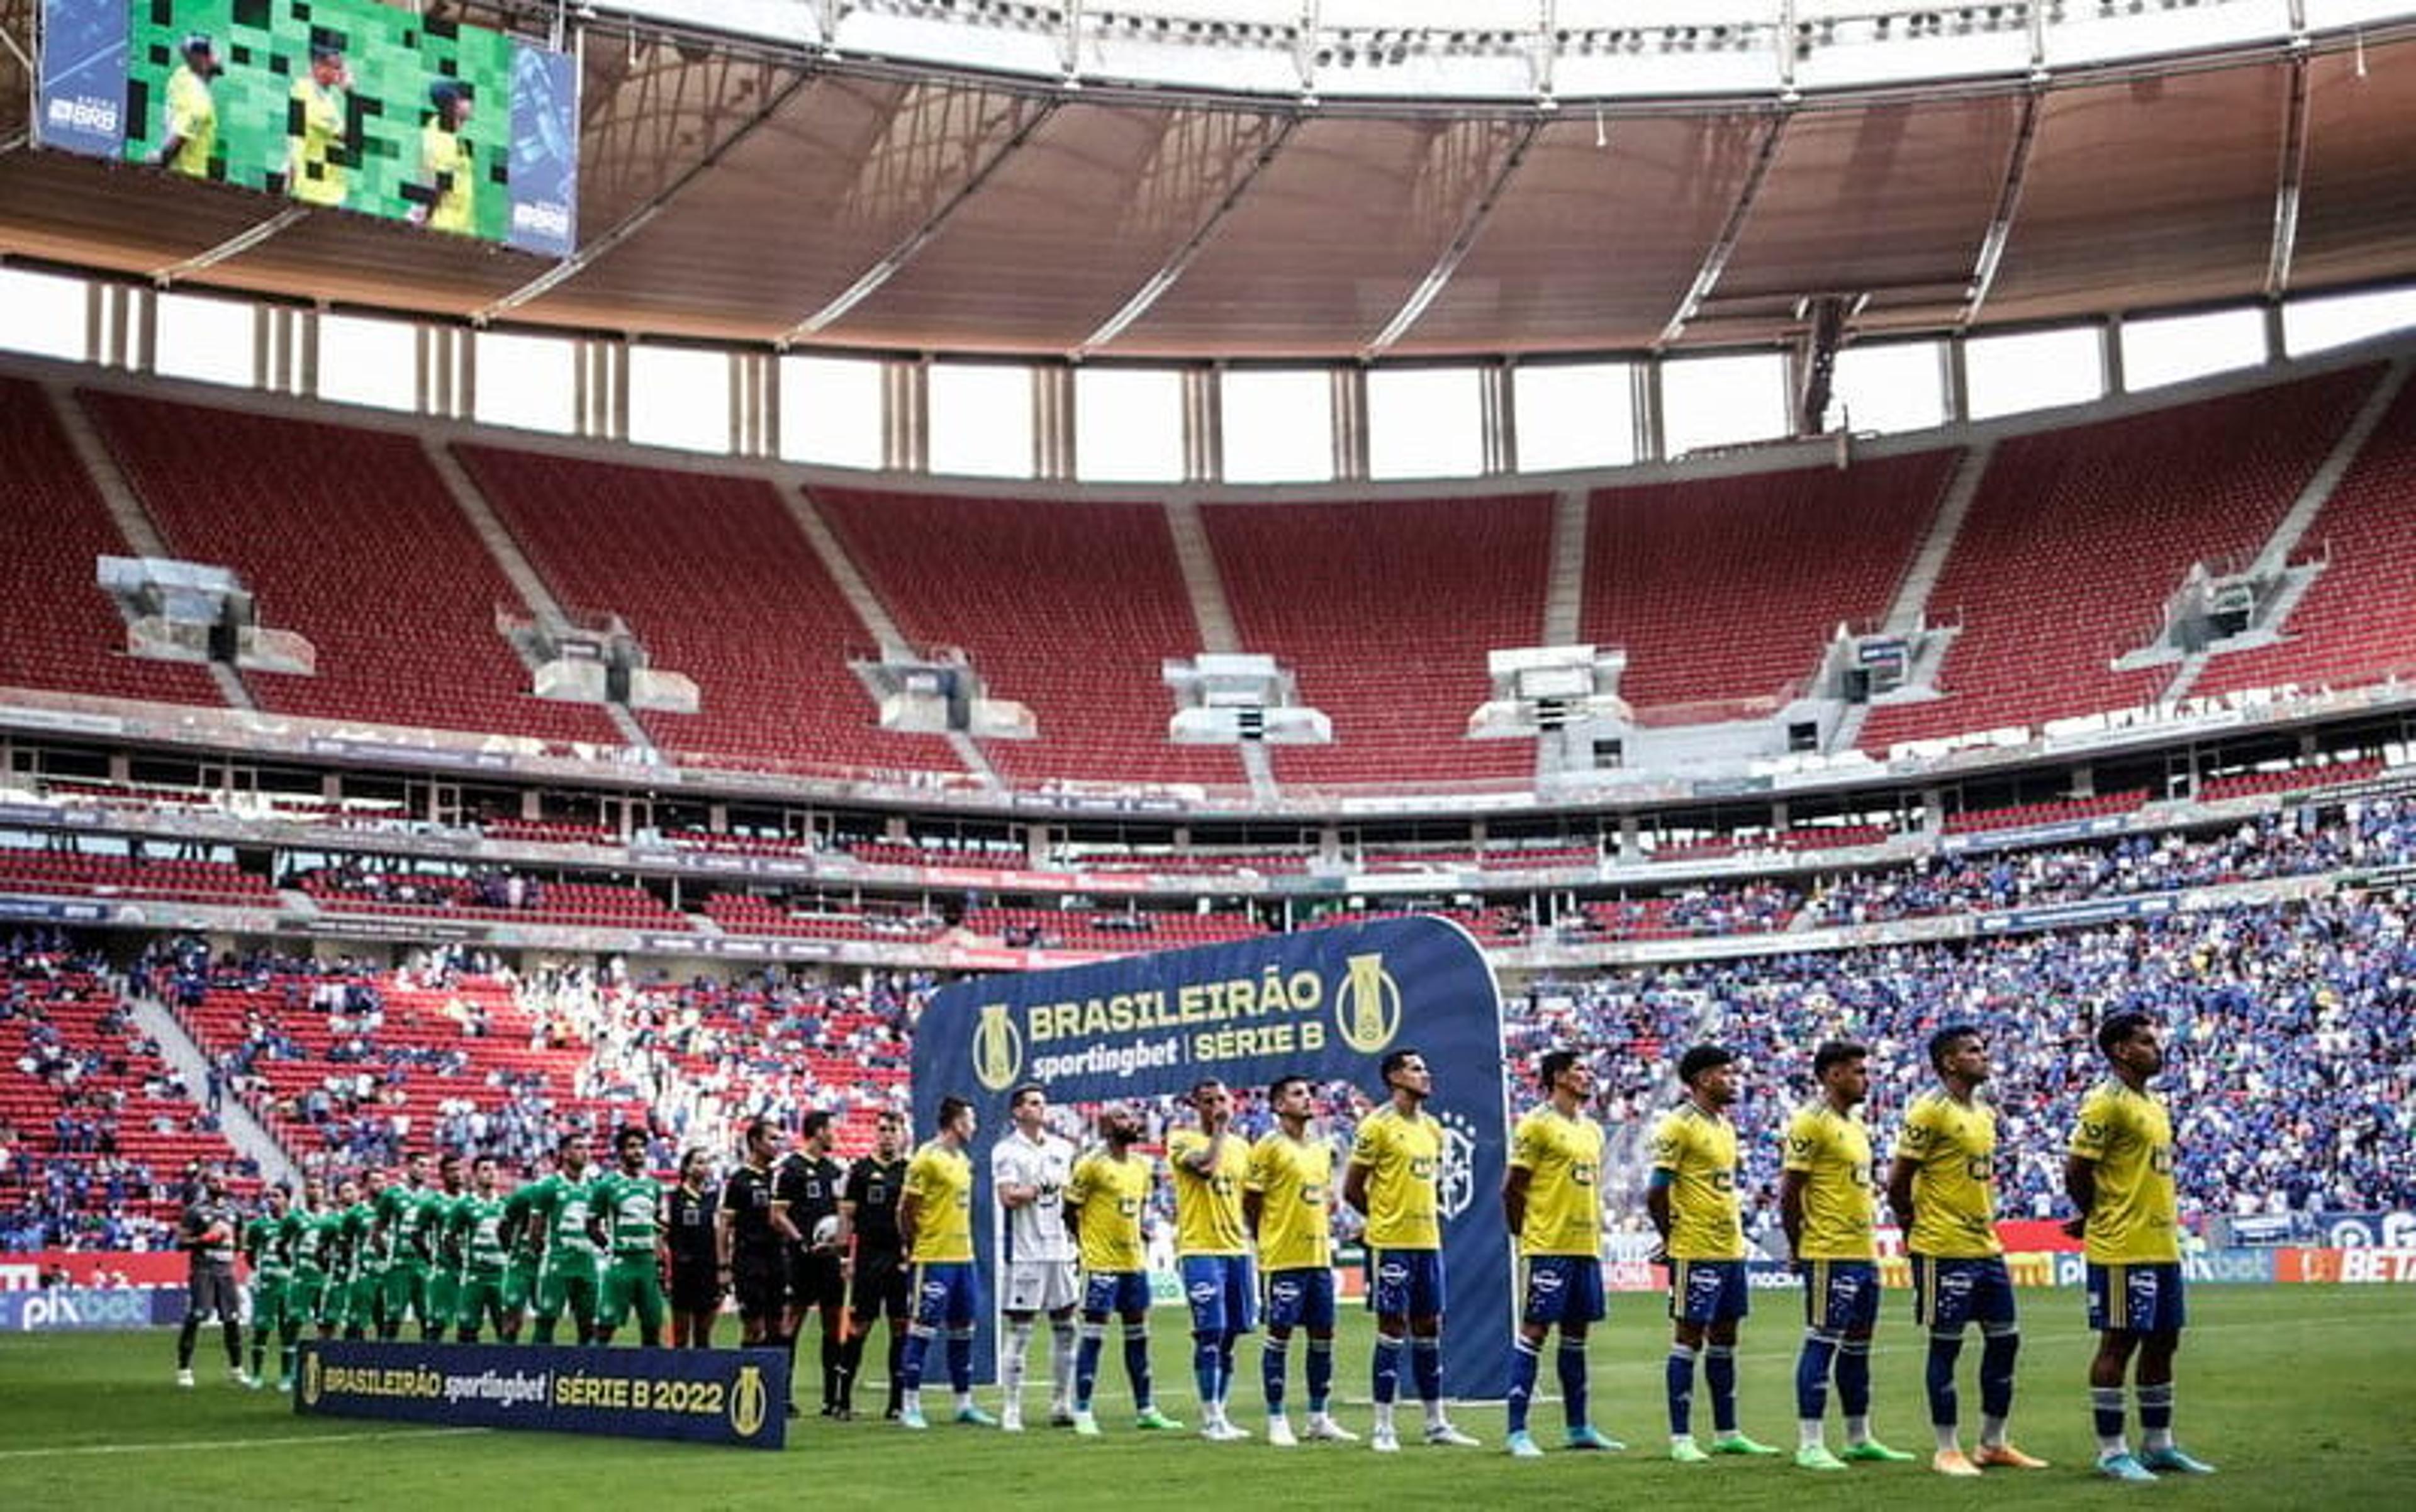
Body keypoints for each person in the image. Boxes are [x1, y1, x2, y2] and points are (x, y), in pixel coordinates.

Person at [1888, 1025, 2049, 1477]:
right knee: (1946, 1346)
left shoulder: (1984, 1113)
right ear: (1949, 1062)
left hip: (1986, 1246)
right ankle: (1947, 1448)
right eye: (1974, 1051)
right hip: (1942, 1248)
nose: (1984, 1055)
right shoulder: (1928, 1111)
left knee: (2006, 1340)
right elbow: (1898, 1180)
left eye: (1984, 1047)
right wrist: (1911, 1226)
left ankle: (1993, 1442)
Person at [2066, 1012, 2217, 1481]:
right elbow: (2076, 1168)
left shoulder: (2152, 1102)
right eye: (2147, 1041)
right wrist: (2095, 1213)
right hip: (2122, 1246)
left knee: (2164, 1341)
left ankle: (2158, 1445)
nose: (2158, 1047)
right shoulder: (2104, 1102)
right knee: (2118, 1342)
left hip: (2160, 1243)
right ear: (2121, 1050)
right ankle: (2112, 1451)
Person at [1779, 1041, 1915, 1470]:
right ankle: (1810, 1442)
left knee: (1858, 1349)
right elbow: (1790, 1190)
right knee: (1822, 1341)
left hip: (1862, 1251)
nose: (1866, 1078)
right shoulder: (1809, 1121)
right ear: (1832, 1074)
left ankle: (1859, 1437)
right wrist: (1797, 1245)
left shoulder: (1855, 1125)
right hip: (1827, 1251)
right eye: (1858, 1071)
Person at [1344, 1047, 1479, 1452]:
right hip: (1392, 1245)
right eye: (1417, 1069)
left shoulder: (1434, 1129)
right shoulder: (1376, 1126)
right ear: (1395, 1078)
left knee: (1429, 1327)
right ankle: (1383, 1426)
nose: (1427, 1074)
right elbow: (1352, 1188)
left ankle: (1436, 1422)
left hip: (1428, 1242)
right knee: (1391, 1329)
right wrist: (1383, 1221)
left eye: (1425, 1067)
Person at [1650, 1044, 1778, 1462]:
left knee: (1726, 1336)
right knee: (1689, 1337)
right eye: (1726, 1072)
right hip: (1694, 1248)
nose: (1734, 1079)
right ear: (1704, 1078)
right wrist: (1670, 1236)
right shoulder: (1678, 1124)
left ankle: (1727, 1432)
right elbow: (1656, 1189)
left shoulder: (1723, 1124)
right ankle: (1681, 1437)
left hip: (1729, 1247)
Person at [1502, 1050, 1621, 1458]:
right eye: (1579, 1070)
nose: (1588, 1076)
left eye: (1588, 1069)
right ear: (1558, 1077)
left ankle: (1578, 1427)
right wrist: (1526, 1234)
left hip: (1586, 1246)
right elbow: (1512, 1186)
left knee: (1577, 1336)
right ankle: (1517, 1431)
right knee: (1535, 1331)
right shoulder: (1536, 1124)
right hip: (1548, 1246)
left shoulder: (1593, 1129)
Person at [1245, 1074, 1353, 1446]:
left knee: (1323, 1335)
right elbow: (1252, 1201)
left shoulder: (1321, 1148)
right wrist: (1268, 1240)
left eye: (1308, 1093)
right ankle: (1277, 1419)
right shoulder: (1268, 1147)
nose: (1307, 1098)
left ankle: (1318, 1417)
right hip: (1284, 1258)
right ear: (1278, 1105)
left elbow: (1322, 1198)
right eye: (1297, 1094)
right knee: (1280, 1335)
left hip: (1319, 1257)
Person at [1064, 1102, 1180, 1436]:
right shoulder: (1091, 1165)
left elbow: (1136, 1209)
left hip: (1134, 1263)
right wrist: (1086, 1243)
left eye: (1131, 1117)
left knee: (1139, 1336)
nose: (1131, 1122)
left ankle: (1146, 1408)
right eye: (1121, 1118)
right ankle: (1083, 1409)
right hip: (1101, 1262)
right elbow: (1070, 1210)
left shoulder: (1143, 1166)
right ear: (1104, 1127)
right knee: (1093, 1337)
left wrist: (1138, 1232)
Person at [895, 1095, 994, 1430]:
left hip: (963, 1259)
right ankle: (910, 1404)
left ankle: (964, 1404)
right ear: (956, 1122)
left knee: (963, 1331)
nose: (975, 1125)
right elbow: (905, 1210)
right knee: (922, 1329)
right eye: (971, 1119)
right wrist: (914, 1246)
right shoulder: (927, 1158)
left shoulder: (963, 1159)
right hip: (933, 1258)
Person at [1170, 1078, 1256, 1442]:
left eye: (1222, 1099)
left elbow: (1250, 1198)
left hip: (1237, 1250)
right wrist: (1219, 1130)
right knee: (1210, 1332)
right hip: (1199, 1248)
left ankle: (1220, 1414)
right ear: (1196, 1107)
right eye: (1208, 1101)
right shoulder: (1181, 1140)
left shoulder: (1243, 1147)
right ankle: (1210, 1417)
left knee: (1231, 1335)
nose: (1217, 1105)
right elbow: (1205, 1168)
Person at [991, 1084, 1078, 1432]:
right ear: (1017, 1112)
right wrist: (1040, 1187)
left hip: (1060, 1249)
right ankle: (1011, 1409)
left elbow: (1071, 1195)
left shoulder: (1063, 1148)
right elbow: (1008, 1197)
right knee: (1021, 1329)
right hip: (1025, 1251)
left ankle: (1062, 1403)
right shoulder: (1007, 1151)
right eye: (1032, 1103)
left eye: (1042, 1102)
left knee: (1067, 1327)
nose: (1040, 1108)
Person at [837, 1111, 913, 1418]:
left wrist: (912, 1251)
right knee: (859, 1327)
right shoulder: (860, 1171)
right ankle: (843, 1401)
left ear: (901, 1133)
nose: (887, 1135)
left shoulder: (909, 1171)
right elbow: (847, 1215)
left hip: (899, 1258)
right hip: (869, 1258)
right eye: (882, 1130)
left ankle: (896, 1403)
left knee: (901, 1327)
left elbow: (915, 1215)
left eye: (892, 1130)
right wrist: (844, 1255)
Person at [778, 1112, 849, 1415]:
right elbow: (777, 1214)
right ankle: (782, 1397)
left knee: (833, 1325)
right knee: (791, 1322)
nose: (836, 1134)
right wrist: (801, 1242)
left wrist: (839, 1248)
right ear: (819, 1132)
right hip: (801, 1259)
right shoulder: (791, 1169)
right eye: (832, 1129)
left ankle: (831, 1399)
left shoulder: (835, 1171)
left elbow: (842, 1216)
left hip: (829, 1261)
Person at [719, 1117, 798, 1348]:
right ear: (755, 1142)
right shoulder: (740, 1180)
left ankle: (772, 1381)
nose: (778, 1144)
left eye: (780, 1139)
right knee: (754, 1327)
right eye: (772, 1138)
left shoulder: (780, 1178)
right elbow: (724, 1225)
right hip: (749, 1259)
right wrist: (723, 1266)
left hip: (777, 1258)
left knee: (778, 1325)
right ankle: (747, 1379)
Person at [590, 1126, 668, 1348]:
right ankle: (592, 1376)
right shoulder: (606, 1185)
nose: (639, 1151)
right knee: (605, 1328)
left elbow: (659, 1225)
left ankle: (648, 1379)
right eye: (632, 1147)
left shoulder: (653, 1186)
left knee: (653, 1329)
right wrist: (608, 1247)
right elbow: (591, 1225)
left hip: (647, 1264)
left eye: (642, 1147)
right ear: (621, 1152)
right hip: (621, 1264)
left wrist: (661, 1260)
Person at [522, 1131, 603, 1345]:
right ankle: (538, 1371)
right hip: (557, 1262)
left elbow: (597, 1226)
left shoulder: (595, 1187)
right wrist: (538, 1252)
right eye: (578, 1147)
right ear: (565, 1153)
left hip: (587, 1263)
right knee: (547, 1319)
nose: (585, 1153)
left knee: (589, 1325)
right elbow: (535, 1229)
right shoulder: (548, 1186)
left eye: (587, 1148)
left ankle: (584, 1375)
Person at [174, 1165, 242, 1387]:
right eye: (214, 1180)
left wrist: (229, 1247)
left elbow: (239, 1242)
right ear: (206, 1184)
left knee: (231, 1319)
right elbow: (180, 1243)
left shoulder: (235, 1211)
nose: (219, 1184)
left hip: (226, 1271)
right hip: (203, 1270)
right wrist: (204, 1240)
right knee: (197, 1315)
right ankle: (184, 1369)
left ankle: (237, 1369)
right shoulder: (194, 1211)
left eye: (222, 1180)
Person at [374, 1151, 443, 1341]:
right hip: (399, 1266)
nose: (424, 1170)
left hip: (423, 1266)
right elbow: (377, 1231)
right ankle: (386, 1364)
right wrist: (385, 1258)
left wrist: (432, 1260)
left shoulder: (432, 1197)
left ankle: (427, 1365)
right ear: (409, 1166)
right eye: (420, 1165)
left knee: (428, 1319)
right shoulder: (392, 1195)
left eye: (427, 1166)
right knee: (393, 1319)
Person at [448, 1155, 513, 1343]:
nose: (491, 1173)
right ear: (475, 1175)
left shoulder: (506, 1204)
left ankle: (507, 1371)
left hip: (502, 1276)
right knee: (467, 1331)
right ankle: (464, 1371)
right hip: (474, 1277)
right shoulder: (464, 1205)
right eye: (485, 1169)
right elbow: (450, 1239)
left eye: (494, 1169)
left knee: (507, 1331)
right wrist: (463, 1266)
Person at [665, 1148, 721, 1350]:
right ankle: (678, 1377)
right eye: (698, 1162)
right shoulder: (673, 1199)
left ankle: (702, 1379)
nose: (704, 1167)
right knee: (680, 1337)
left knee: (704, 1336)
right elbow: (663, 1236)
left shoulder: (714, 1199)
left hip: (708, 1273)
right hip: (682, 1274)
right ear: (687, 1168)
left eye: (706, 1162)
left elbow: (720, 1235)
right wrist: (666, 1268)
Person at [284, 43, 350, 208]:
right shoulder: (308, 95)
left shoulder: (323, 96)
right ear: (318, 67)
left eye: (340, 67)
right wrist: (351, 94)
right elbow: (351, 138)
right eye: (336, 67)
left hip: (325, 190)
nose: (340, 73)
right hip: (315, 192)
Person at [240, 1185, 292, 1389]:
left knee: (288, 1331)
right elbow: (250, 1256)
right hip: (267, 1285)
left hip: (289, 1285)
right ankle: (257, 1375)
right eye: (268, 1196)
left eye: (276, 1196)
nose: (271, 1200)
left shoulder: (295, 1222)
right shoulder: (258, 1226)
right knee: (261, 1329)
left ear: (287, 1199)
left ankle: (287, 1376)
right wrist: (262, 1272)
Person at [278, 1179, 337, 1351]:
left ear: (325, 1191)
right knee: (294, 1322)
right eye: (311, 1187)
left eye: (319, 1186)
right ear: (305, 1191)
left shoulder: (333, 1218)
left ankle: (323, 1362)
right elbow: (281, 1245)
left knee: (327, 1322)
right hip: (302, 1279)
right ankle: (288, 1372)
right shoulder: (294, 1217)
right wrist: (292, 1265)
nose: (316, 1190)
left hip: (325, 1278)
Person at [410, 81, 475, 233]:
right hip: (444, 228)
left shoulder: (447, 132)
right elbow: (433, 184)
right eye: (466, 99)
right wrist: (423, 217)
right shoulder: (441, 138)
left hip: (459, 226)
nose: (472, 103)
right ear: (453, 104)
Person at [153, 35, 219, 179]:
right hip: (185, 178)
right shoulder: (199, 100)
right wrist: (158, 159)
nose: (218, 56)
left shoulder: (182, 75)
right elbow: (176, 142)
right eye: (211, 53)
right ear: (202, 60)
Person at [425, 1154, 469, 1343]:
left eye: (459, 1169)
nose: (457, 1174)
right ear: (442, 1174)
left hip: (471, 1270)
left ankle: (465, 1368)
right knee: (437, 1324)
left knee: (468, 1323)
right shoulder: (433, 1203)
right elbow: (416, 1235)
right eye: (451, 1171)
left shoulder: (472, 1201)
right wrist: (432, 1258)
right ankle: (429, 1368)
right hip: (445, 1271)